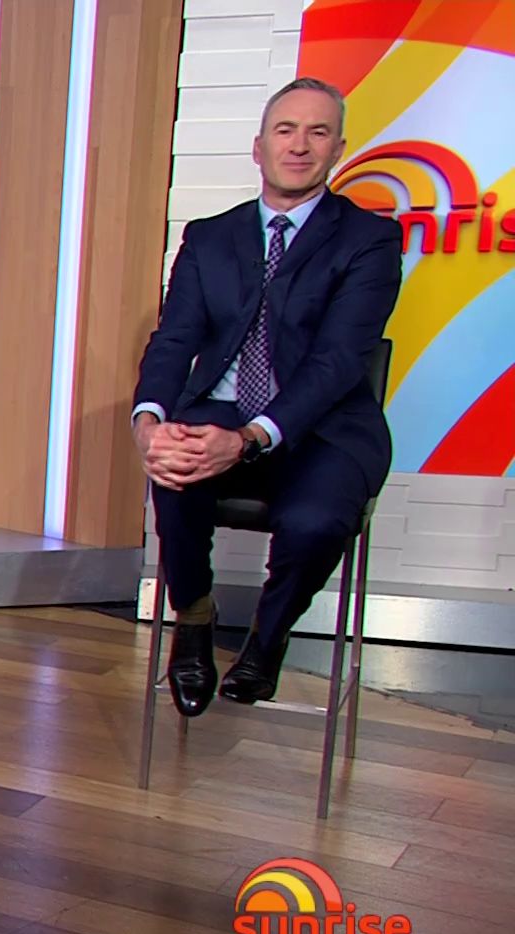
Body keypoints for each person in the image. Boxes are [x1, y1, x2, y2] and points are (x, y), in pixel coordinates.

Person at [133, 77, 400, 716]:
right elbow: (174, 339)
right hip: (220, 407)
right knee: (176, 471)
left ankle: (269, 636)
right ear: (259, 147)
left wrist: (252, 436)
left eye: (317, 132)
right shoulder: (209, 236)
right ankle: (193, 618)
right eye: (286, 130)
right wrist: (149, 423)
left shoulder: (369, 239)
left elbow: (338, 362)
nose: (299, 145)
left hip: (324, 427)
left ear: (338, 149)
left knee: (315, 522)